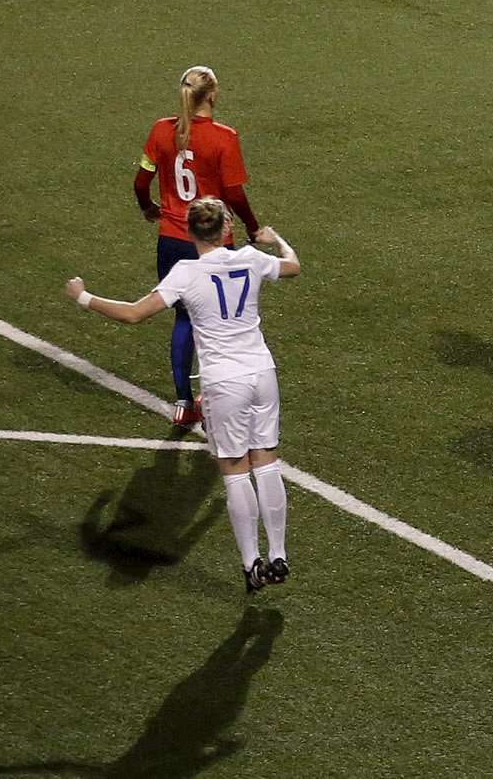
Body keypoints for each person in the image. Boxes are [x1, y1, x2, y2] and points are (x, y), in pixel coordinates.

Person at [71, 205, 302, 595]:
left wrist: (82, 297)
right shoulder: (250, 258)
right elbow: (292, 265)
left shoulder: (186, 273)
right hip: (262, 372)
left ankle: (251, 563)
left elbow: (133, 314)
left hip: (224, 381)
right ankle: (278, 553)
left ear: (190, 232)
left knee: (234, 468)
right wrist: (275, 239)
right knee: (265, 460)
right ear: (227, 228)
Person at [133, 66, 260, 432]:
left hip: (171, 239)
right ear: (213, 95)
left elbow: (142, 181)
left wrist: (149, 208)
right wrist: (252, 227)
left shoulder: (161, 130)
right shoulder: (224, 137)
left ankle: (183, 402)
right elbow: (234, 193)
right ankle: (215, 399)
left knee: (185, 319)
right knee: (221, 324)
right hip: (214, 243)